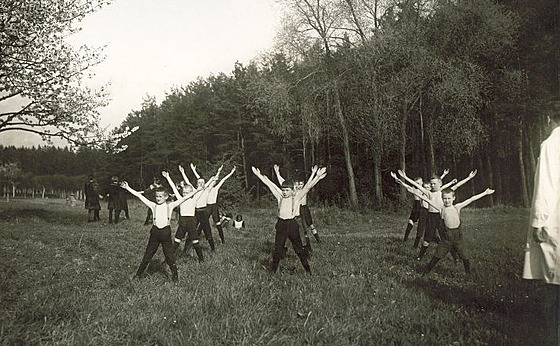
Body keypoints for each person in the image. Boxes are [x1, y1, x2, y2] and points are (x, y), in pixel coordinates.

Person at [252, 165, 327, 274]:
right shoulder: (280, 197)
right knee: (277, 250)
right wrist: (258, 175)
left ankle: (308, 271)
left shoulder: (296, 197)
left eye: (287, 190)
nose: (284, 192)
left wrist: (318, 177)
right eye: (283, 190)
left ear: (292, 190)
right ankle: (273, 272)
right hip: (281, 224)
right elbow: (270, 185)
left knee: (299, 250)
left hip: (292, 225)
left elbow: (307, 187)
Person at [404, 186, 495, 275]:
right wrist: (414, 191)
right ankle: (425, 273)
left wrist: (485, 193)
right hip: (446, 239)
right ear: (442, 199)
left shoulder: (457, 207)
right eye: (444, 199)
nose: (447, 201)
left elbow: (471, 199)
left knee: (465, 257)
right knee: (436, 257)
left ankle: (468, 274)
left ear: (453, 198)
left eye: (449, 198)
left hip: (458, 238)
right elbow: (428, 200)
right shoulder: (441, 209)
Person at [120, 180, 198, 283]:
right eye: (157, 196)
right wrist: (128, 188)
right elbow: (140, 197)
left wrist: (198, 190)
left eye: (160, 196)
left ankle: (175, 277)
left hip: (165, 233)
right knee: (148, 255)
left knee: (169, 256)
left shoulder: (170, 206)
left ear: (166, 197)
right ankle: (138, 275)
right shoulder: (153, 206)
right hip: (155, 233)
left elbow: (185, 197)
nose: (158, 198)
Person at [398, 169, 477, 261]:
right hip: (431, 217)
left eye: (434, 184)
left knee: (447, 239)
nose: (432, 185)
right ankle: (420, 257)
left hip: (441, 218)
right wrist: (405, 177)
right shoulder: (429, 193)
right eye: (431, 184)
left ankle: (455, 257)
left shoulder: (443, 193)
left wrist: (469, 177)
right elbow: (416, 185)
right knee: (426, 239)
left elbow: (458, 185)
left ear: (440, 184)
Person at [523, 102, 560, 284]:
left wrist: (538, 221)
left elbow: (545, 186)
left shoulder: (550, 145)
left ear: (548, 119)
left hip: (554, 219)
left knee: (553, 276)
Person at [162, 169, 214, 263]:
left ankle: (201, 259)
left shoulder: (194, 199)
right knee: (176, 242)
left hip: (191, 223)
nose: (185, 194)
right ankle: (167, 260)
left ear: (191, 193)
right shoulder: (180, 199)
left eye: (187, 193)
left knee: (195, 242)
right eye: (184, 193)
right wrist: (168, 177)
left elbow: (201, 189)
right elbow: (174, 188)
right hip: (182, 223)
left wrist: (206, 183)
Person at [274, 165, 321, 249]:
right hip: (296, 213)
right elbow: (282, 182)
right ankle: (286, 249)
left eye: (300, 184)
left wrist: (315, 174)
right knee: (298, 231)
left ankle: (312, 244)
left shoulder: (302, 191)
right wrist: (277, 173)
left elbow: (309, 184)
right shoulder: (292, 192)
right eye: (296, 184)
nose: (298, 185)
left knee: (308, 227)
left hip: (303, 209)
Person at [401, 170, 449, 243]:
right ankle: (416, 244)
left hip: (432, 212)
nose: (427, 188)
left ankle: (440, 241)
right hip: (423, 210)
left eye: (428, 187)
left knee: (436, 229)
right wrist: (404, 178)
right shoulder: (424, 192)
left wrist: (444, 175)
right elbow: (415, 185)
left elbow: (439, 183)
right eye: (425, 187)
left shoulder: (434, 191)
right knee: (422, 228)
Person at [391, 173, 431, 248]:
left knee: (427, 226)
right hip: (416, 206)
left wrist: (443, 175)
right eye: (416, 183)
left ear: (422, 182)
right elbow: (404, 184)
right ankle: (405, 239)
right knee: (410, 222)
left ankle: (433, 239)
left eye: (419, 183)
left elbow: (436, 185)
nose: (418, 184)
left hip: (423, 208)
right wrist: (396, 177)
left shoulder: (426, 189)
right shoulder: (414, 189)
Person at [191, 163, 223, 251]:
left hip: (203, 212)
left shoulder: (207, 190)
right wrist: (192, 170)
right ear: (197, 184)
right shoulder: (195, 190)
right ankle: (186, 248)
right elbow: (189, 181)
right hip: (195, 212)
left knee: (207, 230)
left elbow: (213, 180)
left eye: (202, 183)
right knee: (192, 229)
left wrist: (218, 172)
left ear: (205, 184)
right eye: (199, 183)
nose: (201, 184)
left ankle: (213, 248)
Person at [206, 166, 236, 244]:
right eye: (212, 182)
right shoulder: (206, 189)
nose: (213, 183)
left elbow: (223, 179)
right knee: (204, 222)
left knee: (218, 223)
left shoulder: (216, 188)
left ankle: (223, 240)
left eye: (214, 182)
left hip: (214, 206)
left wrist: (231, 172)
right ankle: (197, 238)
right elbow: (214, 178)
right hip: (207, 206)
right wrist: (218, 172)